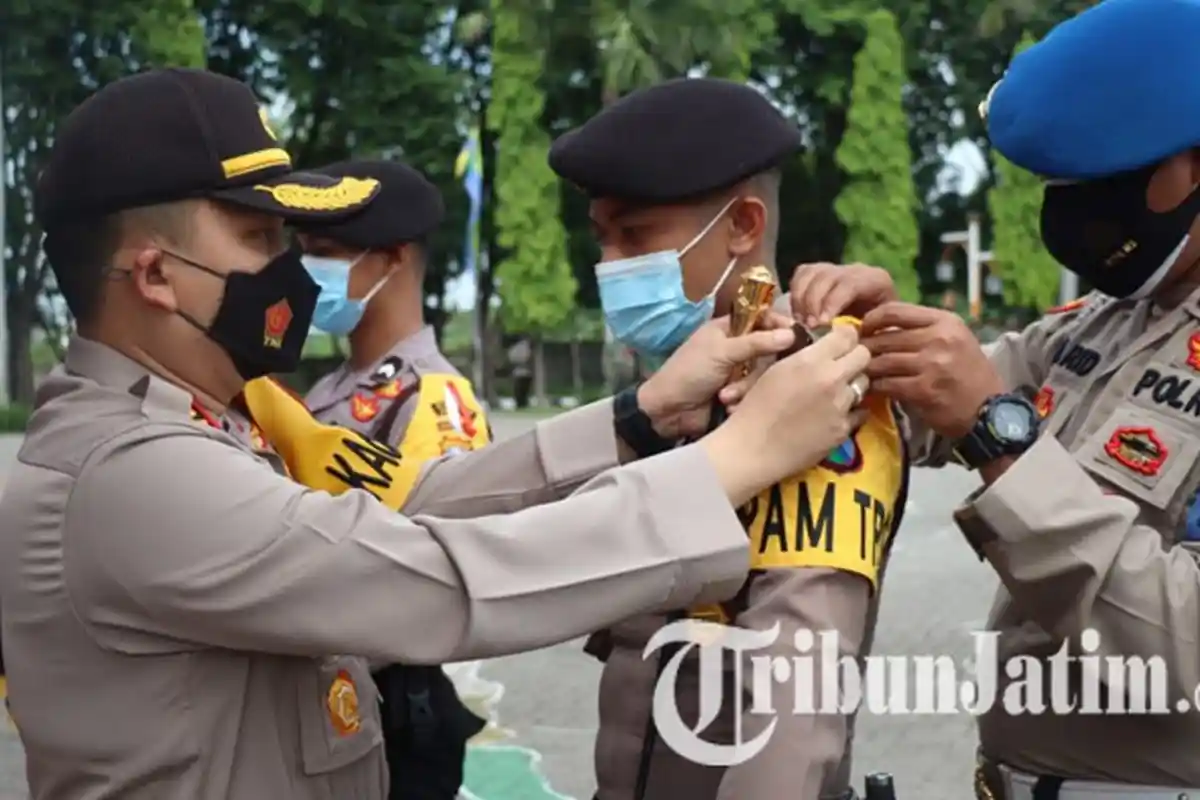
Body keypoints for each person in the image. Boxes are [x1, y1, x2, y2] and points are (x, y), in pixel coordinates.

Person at [0, 67, 875, 800]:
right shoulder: (130, 476)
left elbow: (408, 504)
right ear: (155, 275)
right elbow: (443, 578)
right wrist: (738, 457)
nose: (289, 268)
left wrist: (637, 418)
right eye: (260, 238)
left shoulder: (211, 422)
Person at [785, 0, 1200, 795]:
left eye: (1100, 184)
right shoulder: (1110, 322)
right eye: (1055, 185)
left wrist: (998, 438)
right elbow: (941, 394)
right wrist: (854, 337)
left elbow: (1188, 650)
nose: (1069, 210)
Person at [548, 76, 910, 800]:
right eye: (603, 238)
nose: (611, 264)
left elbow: (793, 715)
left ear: (743, 225)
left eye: (636, 234)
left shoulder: (815, 390)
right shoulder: (676, 387)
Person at [295, 158, 489, 800]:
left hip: (391, 703)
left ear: (393, 258)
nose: (306, 270)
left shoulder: (432, 399)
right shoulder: (328, 390)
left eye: (325, 254)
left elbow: (442, 574)